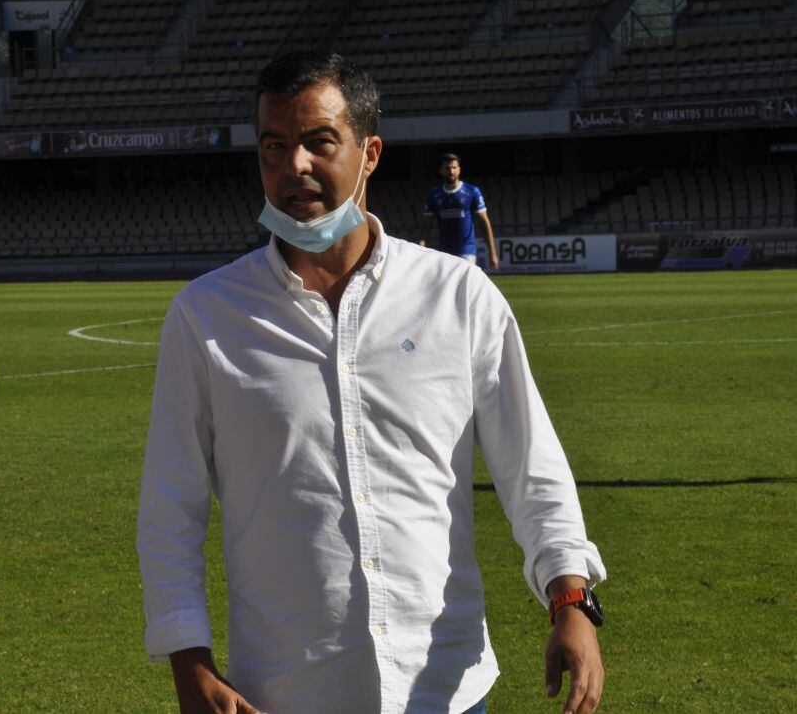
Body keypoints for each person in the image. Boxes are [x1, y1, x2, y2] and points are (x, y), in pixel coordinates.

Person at [137, 51, 605, 714]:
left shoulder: (458, 296)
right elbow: (168, 512)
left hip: (446, 687)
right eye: (273, 147)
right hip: (284, 692)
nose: (293, 166)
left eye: (318, 142)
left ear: (370, 152)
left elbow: (533, 469)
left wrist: (571, 598)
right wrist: (189, 660)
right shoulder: (206, 316)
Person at [419, 154, 500, 271]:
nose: (451, 171)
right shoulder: (434, 195)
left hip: (466, 252)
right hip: (444, 253)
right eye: (447, 168)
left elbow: (484, 223)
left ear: (459, 170)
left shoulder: (472, 192)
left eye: (454, 167)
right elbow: (426, 227)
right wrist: (420, 250)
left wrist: (492, 252)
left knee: (466, 287)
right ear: (441, 171)